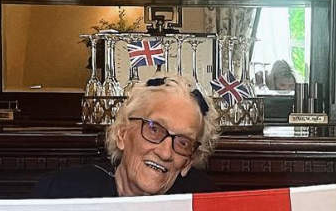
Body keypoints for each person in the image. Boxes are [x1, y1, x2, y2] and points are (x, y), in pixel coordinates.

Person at [34, 76, 219, 198]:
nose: (165, 153)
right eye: (154, 129)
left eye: (183, 142)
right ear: (121, 134)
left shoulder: (205, 208)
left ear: (187, 163)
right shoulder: (60, 193)